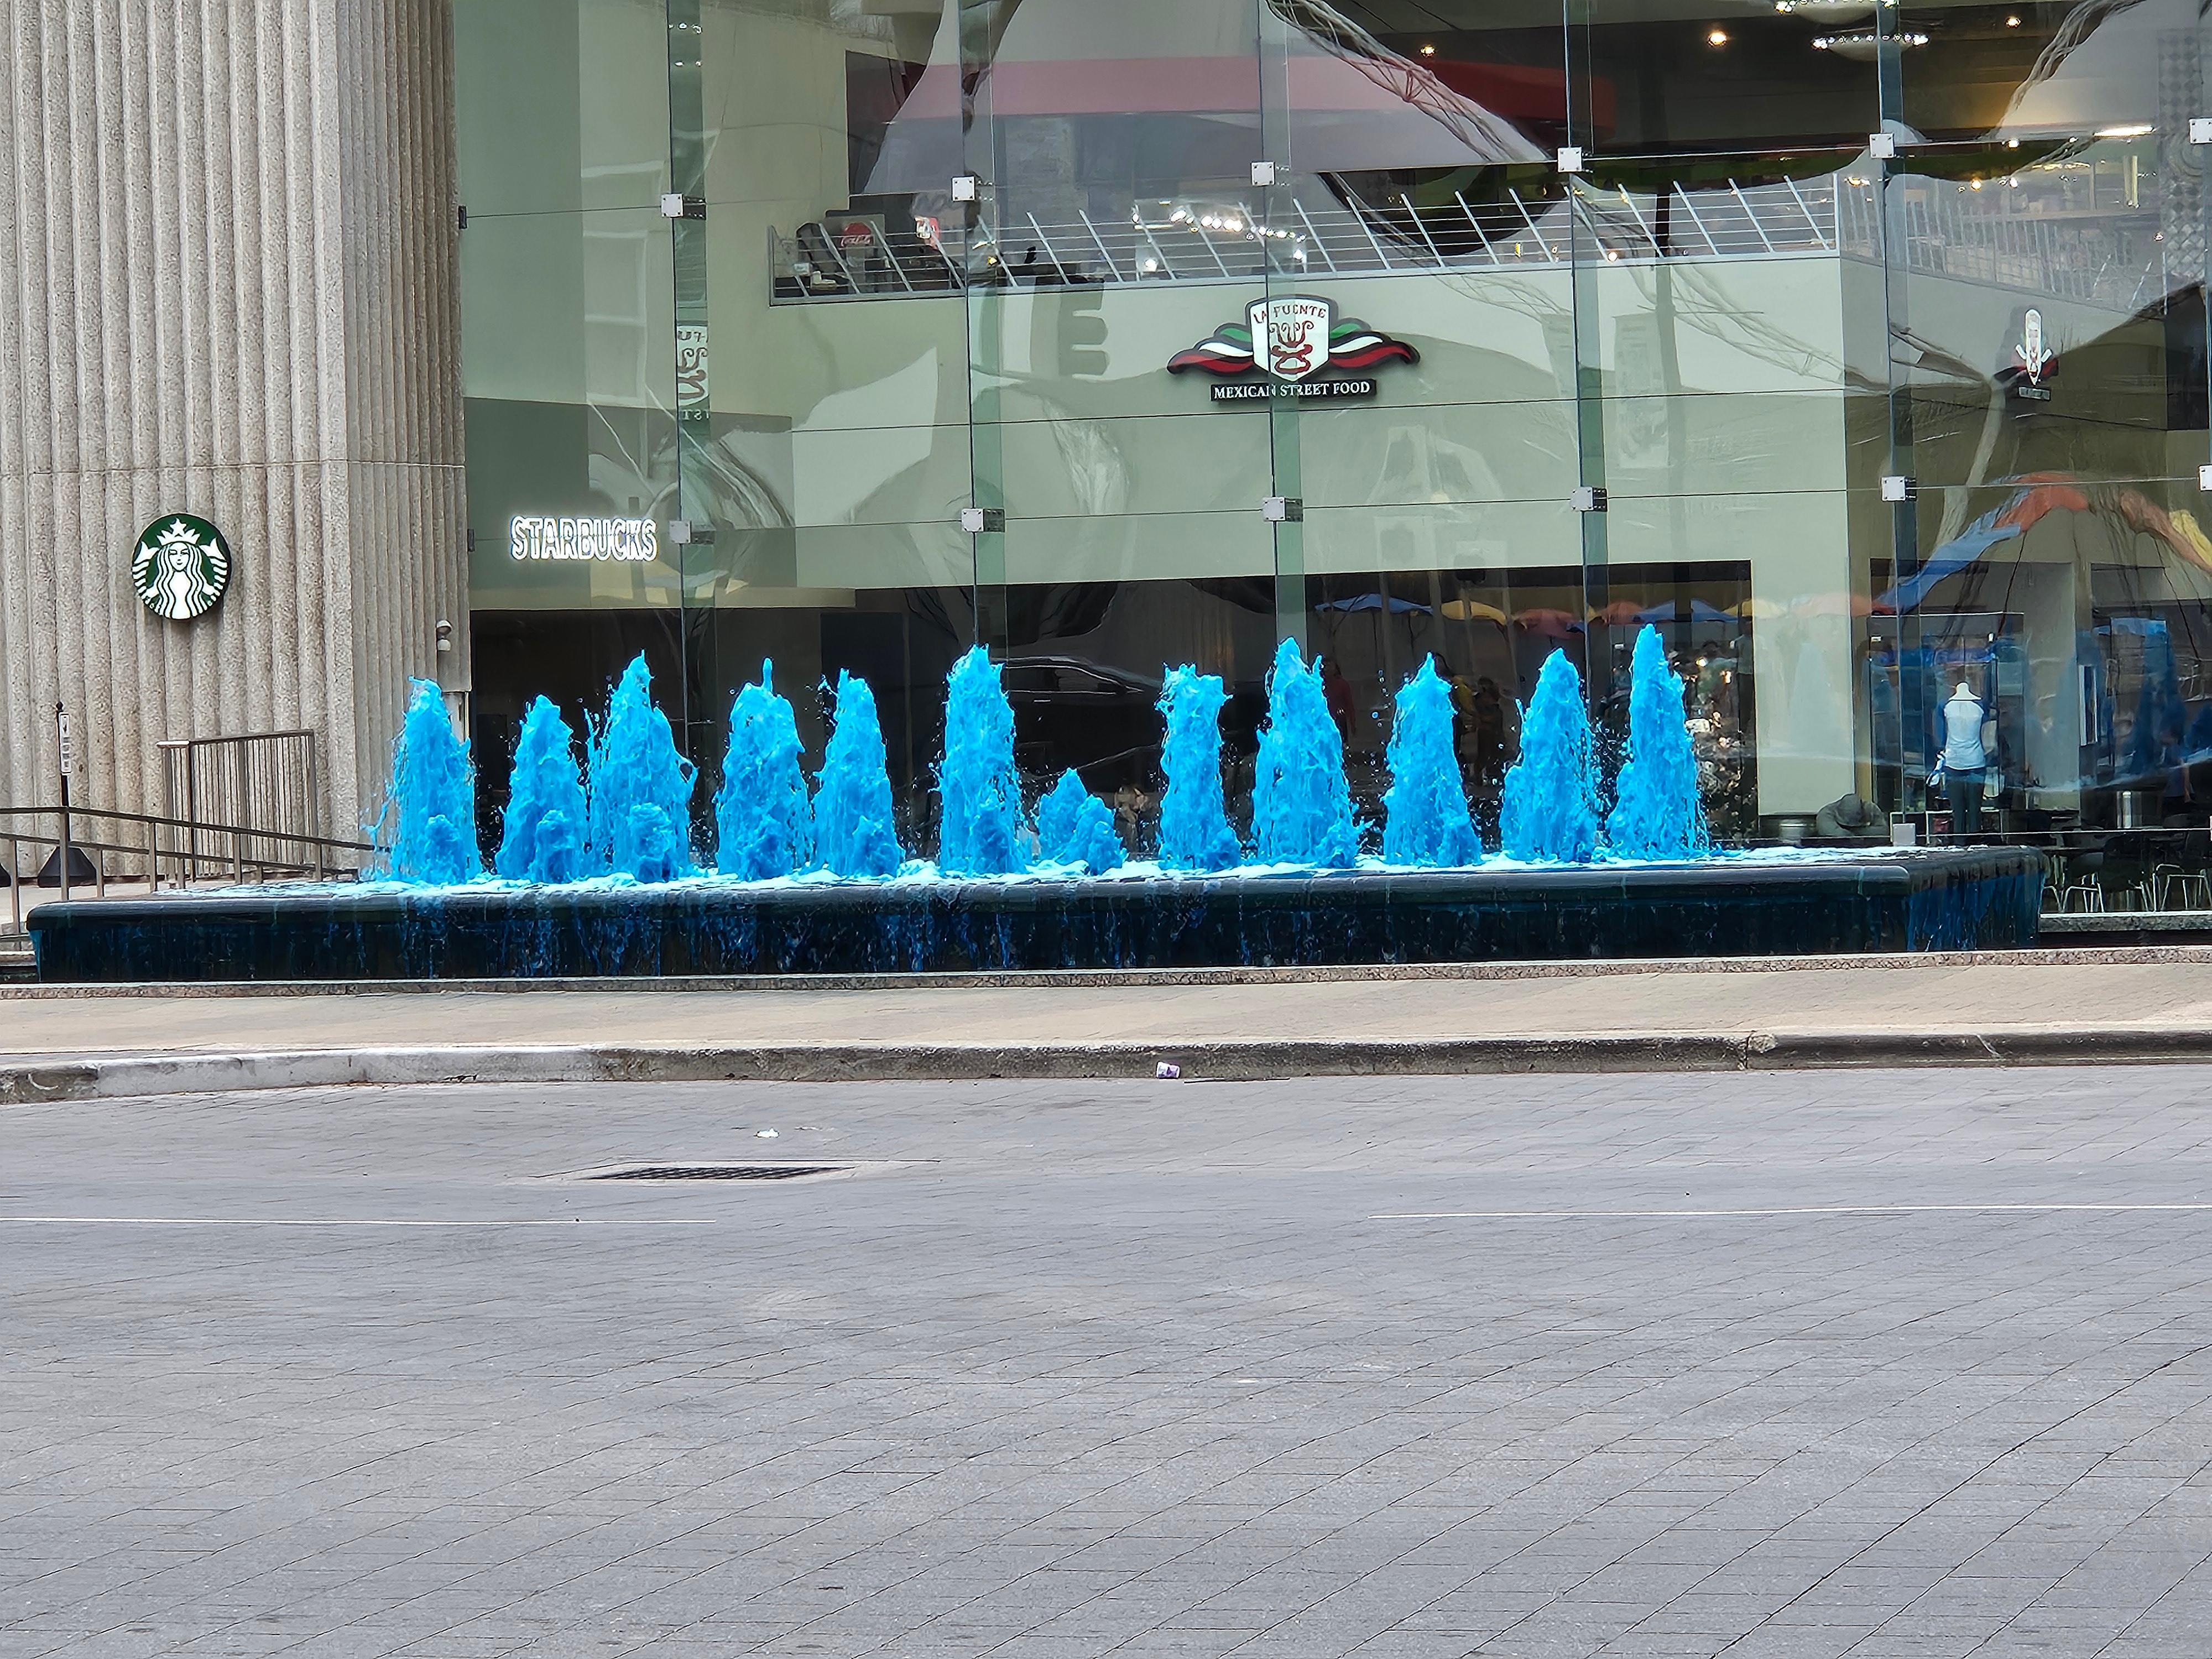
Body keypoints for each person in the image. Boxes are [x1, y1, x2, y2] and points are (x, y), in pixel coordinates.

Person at [1938, 680, 1992, 834]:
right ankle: (1975, 842)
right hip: (1976, 760)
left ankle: (1960, 843)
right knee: (1975, 810)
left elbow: (1941, 737)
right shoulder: (1981, 705)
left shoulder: (1945, 706)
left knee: (1958, 812)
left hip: (1953, 761)